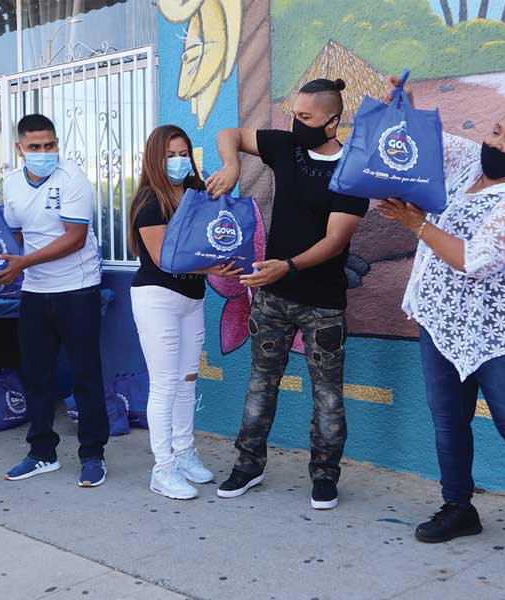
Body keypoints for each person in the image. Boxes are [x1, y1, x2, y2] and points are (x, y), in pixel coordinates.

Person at [377, 78, 505, 581]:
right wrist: (400, 107)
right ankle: (459, 508)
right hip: (443, 319)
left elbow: (471, 259)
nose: (496, 144)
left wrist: (416, 224)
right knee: (449, 421)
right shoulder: (470, 164)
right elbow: (426, 144)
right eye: (496, 132)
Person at [206, 78, 369, 509]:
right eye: (294, 114)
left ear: (333, 122)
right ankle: (248, 464)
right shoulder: (286, 148)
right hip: (272, 299)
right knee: (261, 383)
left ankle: (324, 475)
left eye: (306, 117)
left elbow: (336, 241)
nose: (296, 123)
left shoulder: (353, 169)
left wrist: (289, 265)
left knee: (328, 393)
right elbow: (232, 135)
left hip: (324, 304)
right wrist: (233, 165)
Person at [128, 125, 242, 500]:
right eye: (169, 155)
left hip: (192, 300)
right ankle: (163, 469)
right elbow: (164, 259)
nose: (178, 162)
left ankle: (184, 451)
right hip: (157, 297)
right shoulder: (149, 201)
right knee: (164, 384)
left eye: (183, 154)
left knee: (187, 380)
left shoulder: (197, 194)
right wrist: (211, 267)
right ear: (155, 159)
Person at [0, 114, 109, 487]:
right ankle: (41, 452)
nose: (44, 153)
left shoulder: (72, 177)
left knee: (85, 375)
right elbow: (14, 231)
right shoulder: (11, 183)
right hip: (34, 291)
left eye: (49, 146)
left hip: (77, 289)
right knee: (36, 376)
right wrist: (12, 263)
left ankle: (93, 455)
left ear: (57, 144)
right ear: (20, 149)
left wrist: (24, 263)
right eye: (34, 147)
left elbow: (75, 237)